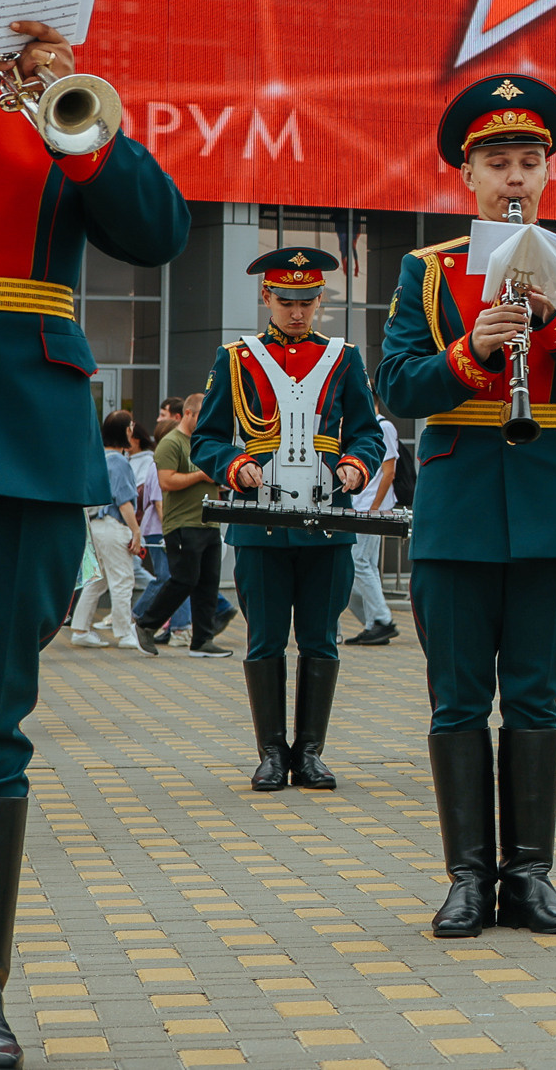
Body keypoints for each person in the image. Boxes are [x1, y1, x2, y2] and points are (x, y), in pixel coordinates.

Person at [0, 0, 193, 1070]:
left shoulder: (55, 108)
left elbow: (156, 233)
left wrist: (83, 121)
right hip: (12, 429)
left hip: (19, 435)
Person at [376, 74, 556, 939]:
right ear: (469, 174)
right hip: (457, 508)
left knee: (536, 696)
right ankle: (466, 878)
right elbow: (393, 385)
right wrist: (467, 353)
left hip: (550, 506)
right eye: (499, 161)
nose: (516, 176)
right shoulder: (425, 272)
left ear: (549, 170)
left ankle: (528, 875)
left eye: (531, 160)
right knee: (457, 699)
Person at [192, 247, 388, 793]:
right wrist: (236, 465)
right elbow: (206, 439)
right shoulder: (237, 357)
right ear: (266, 297)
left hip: (328, 520)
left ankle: (312, 752)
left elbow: (368, 432)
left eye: (306, 301)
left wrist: (355, 465)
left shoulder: (344, 357)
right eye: (285, 301)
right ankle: (271, 753)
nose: (296, 311)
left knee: (322, 640)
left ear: (320, 299)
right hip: (260, 523)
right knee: (266, 641)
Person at [139, 390, 229, 653]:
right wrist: (201, 476)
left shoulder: (206, 443)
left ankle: (202, 641)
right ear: (188, 413)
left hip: (209, 522)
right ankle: (146, 624)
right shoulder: (172, 443)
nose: (207, 421)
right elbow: (166, 481)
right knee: (184, 579)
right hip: (181, 524)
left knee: (208, 583)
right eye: (203, 416)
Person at [69, 413, 147, 650]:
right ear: (124, 431)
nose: (133, 430)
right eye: (130, 426)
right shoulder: (120, 462)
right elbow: (124, 502)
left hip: (95, 526)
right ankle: (125, 634)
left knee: (97, 580)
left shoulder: (98, 458)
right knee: (123, 580)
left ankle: (81, 629)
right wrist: (136, 532)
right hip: (113, 526)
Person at [342, 415, 402, 646]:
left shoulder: (383, 426)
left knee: (360, 563)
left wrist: (375, 508)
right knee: (367, 565)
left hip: (369, 509)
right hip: (362, 507)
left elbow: (389, 472)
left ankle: (382, 619)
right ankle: (373, 624)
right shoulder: (365, 426)